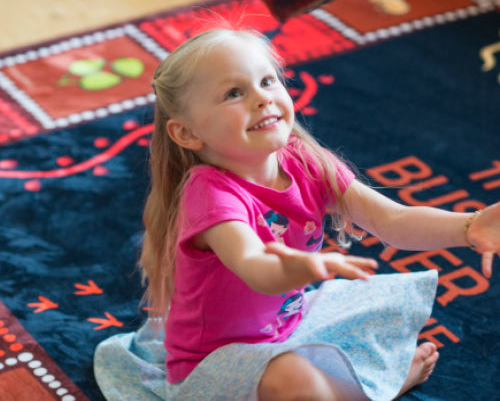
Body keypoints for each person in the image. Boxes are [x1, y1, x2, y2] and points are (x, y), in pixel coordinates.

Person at [94, 28, 500, 401]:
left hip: (287, 325)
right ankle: (380, 389)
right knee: (296, 379)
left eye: (268, 81)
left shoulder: (305, 161)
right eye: (233, 93)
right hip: (213, 364)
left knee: (376, 309)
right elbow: (256, 267)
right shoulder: (210, 194)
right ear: (187, 133)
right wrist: (305, 269)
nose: (262, 97)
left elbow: (391, 221)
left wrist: (469, 226)